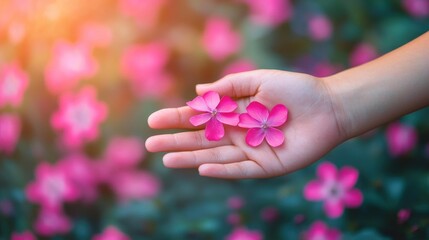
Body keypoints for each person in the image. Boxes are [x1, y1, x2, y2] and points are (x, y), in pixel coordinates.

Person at [145, 31, 429, 179]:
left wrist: (332, 100)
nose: (215, 112)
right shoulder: (236, 120)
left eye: (215, 110)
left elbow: (260, 119)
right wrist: (333, 99)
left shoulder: (255, 118)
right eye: (212, 112)